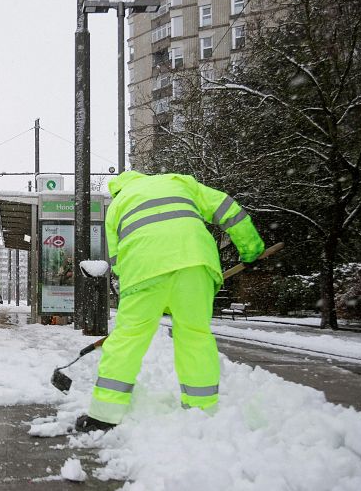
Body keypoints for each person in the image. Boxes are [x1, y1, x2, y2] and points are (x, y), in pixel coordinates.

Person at [75, 171, 264, 432]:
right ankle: (203, 411)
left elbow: (118, 261)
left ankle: (104, 415)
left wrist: (147, 293)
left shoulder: (117, 205)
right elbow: (226, 207)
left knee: (127, 340)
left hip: (142, 273)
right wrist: (251, 250)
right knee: (195, 337)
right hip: (195, 264)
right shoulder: (180, 183)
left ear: (119, 188)